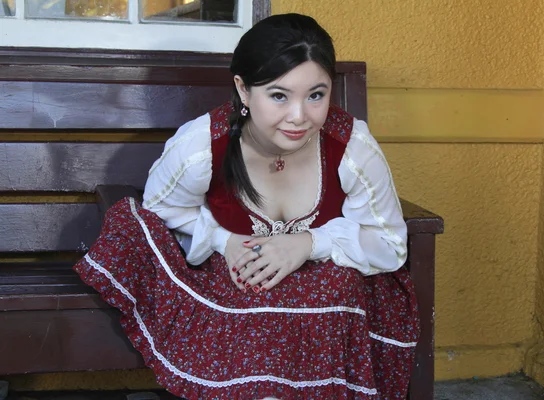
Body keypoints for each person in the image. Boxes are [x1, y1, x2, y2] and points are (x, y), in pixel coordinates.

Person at [74, 13, 419, 400]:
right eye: (278, 95)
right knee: (141, 230)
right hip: (236, 285)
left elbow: (389, 242)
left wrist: (308, 243)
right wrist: (223, 240)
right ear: (243, 89)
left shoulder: (352, 148)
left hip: (323, 296)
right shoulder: (201, 148)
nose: (299, 116)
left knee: (342, 284)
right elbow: (160, 216)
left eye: (316, 95)